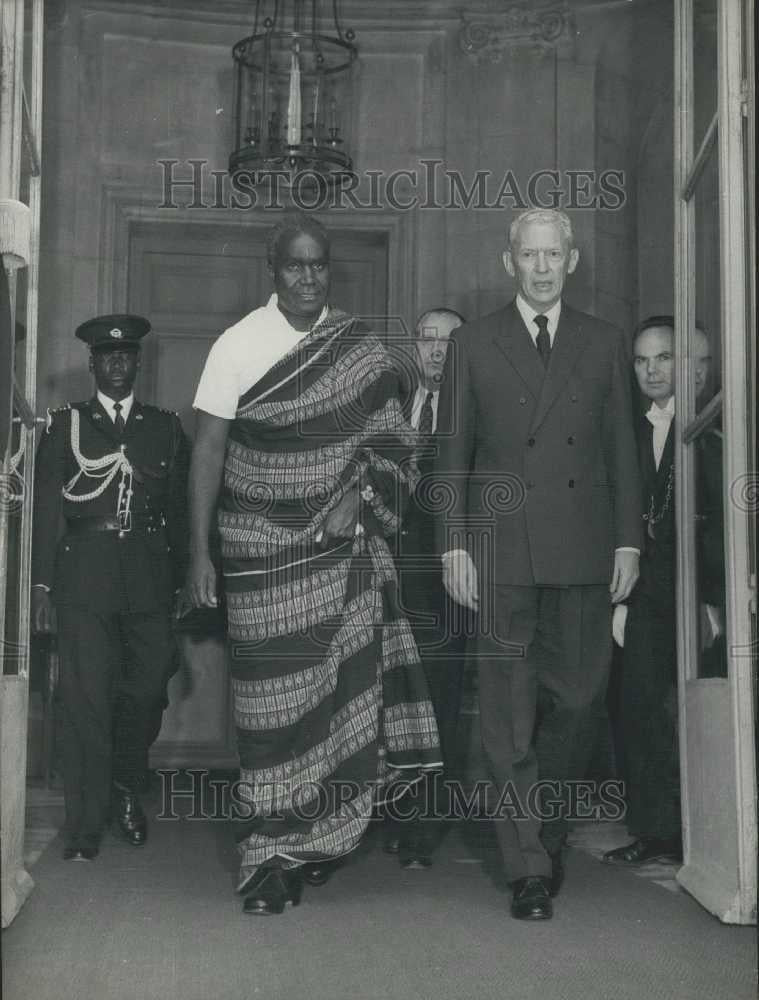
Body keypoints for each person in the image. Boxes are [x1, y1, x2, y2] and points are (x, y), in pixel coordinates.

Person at [187, 212, 440, 916]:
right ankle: (270, 846)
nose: (308, 276)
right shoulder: (238, 343)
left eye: (318, 264)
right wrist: (197, 554)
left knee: (339, 701)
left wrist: (358, 501)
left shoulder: (358, 349)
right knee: (267, 709)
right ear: (272, 270)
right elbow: (208, 449)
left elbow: (396, 446)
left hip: (342, 552)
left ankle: (314, 840)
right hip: (257, 551)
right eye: (295, 264)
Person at [435, 207, 642, 920]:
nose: (543, 267)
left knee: (579, 704)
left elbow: (623, 450)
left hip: (584, 551)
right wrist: (453, 544)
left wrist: (627, 542)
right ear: (509, 263)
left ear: (573, 261)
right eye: (530, 256)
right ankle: (526, 864)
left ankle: (544, 834)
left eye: (554, 255)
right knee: (507, 717)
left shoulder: (604, 341)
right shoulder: (473, 343)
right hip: (500, 554)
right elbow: (451, 455)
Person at [31, 315, 190, 861]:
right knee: (85, 701)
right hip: (84, 577)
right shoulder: (65, 425)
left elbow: (180, 513)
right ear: (92, 364)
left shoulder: (165, 428)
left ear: (139, 364)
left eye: (127, 356)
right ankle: (86, 825)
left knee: (147, 690)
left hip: (148, 580)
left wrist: (191, 578)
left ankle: (125, 784)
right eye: (107, 356)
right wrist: (41, 586)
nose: (117, 364)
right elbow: (48, 509)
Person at [604, 318, 714, 865]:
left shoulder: (711, 425)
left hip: (698, 590)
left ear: (687, 364)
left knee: (702, 715)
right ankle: (655, 832)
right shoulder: (622, 424)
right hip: (643, 594)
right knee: (639, 710)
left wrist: (713, 600)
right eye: (643, 360)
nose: (652, 370)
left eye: (663, 358)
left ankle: (710, 834)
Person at [387, 307, 471, 869]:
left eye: (448, 341)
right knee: (389, 700)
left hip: (443, 581)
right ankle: (390, 815)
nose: (436, 351)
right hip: (386, 579)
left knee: (435, 700)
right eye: (427, 339)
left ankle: (422, 832)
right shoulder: (395, 409)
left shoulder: (472, 416)